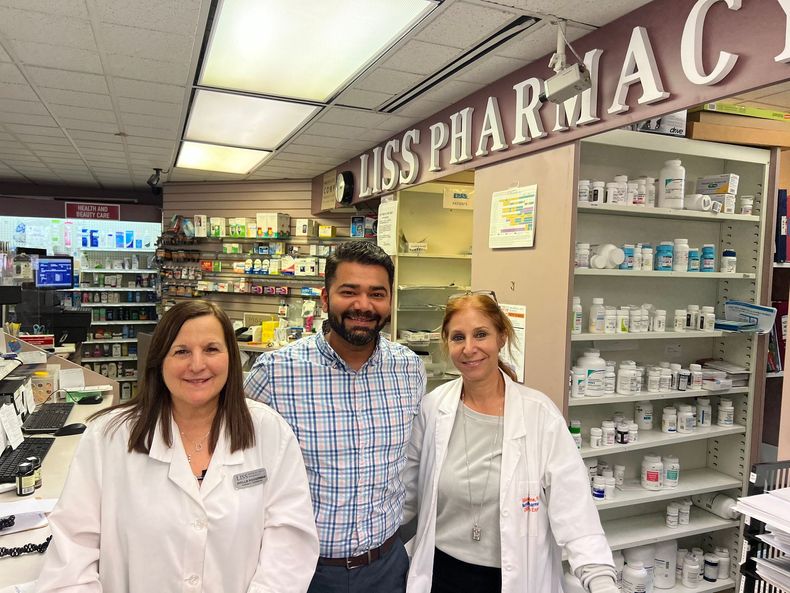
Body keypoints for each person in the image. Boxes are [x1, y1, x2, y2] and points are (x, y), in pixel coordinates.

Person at [35, 300, 319, 593]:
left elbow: (289, 546)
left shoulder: (270, 433)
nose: (197, 365)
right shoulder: (108, 437)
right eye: (181, 351)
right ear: (160, 361)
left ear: (231, 358)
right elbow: (72, 553)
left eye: (211, 349)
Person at [403, 291, 618, 593]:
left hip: (515, 578)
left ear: (501, 337)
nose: (469, 348)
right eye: (457, 337)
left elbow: (575, 514)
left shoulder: (539, 414)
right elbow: (406, 497)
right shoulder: (433, 408)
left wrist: (601, 581)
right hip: (442, 575)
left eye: (481, 334)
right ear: (446, 343)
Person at [245, 241, 426, 593]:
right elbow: (230, 454)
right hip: (303, 572)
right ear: (325, 299)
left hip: (387, 567)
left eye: (377, 293)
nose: (363, 305)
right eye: (349, 292)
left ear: (389, 302)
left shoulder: (409, 368)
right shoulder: (276, 372)